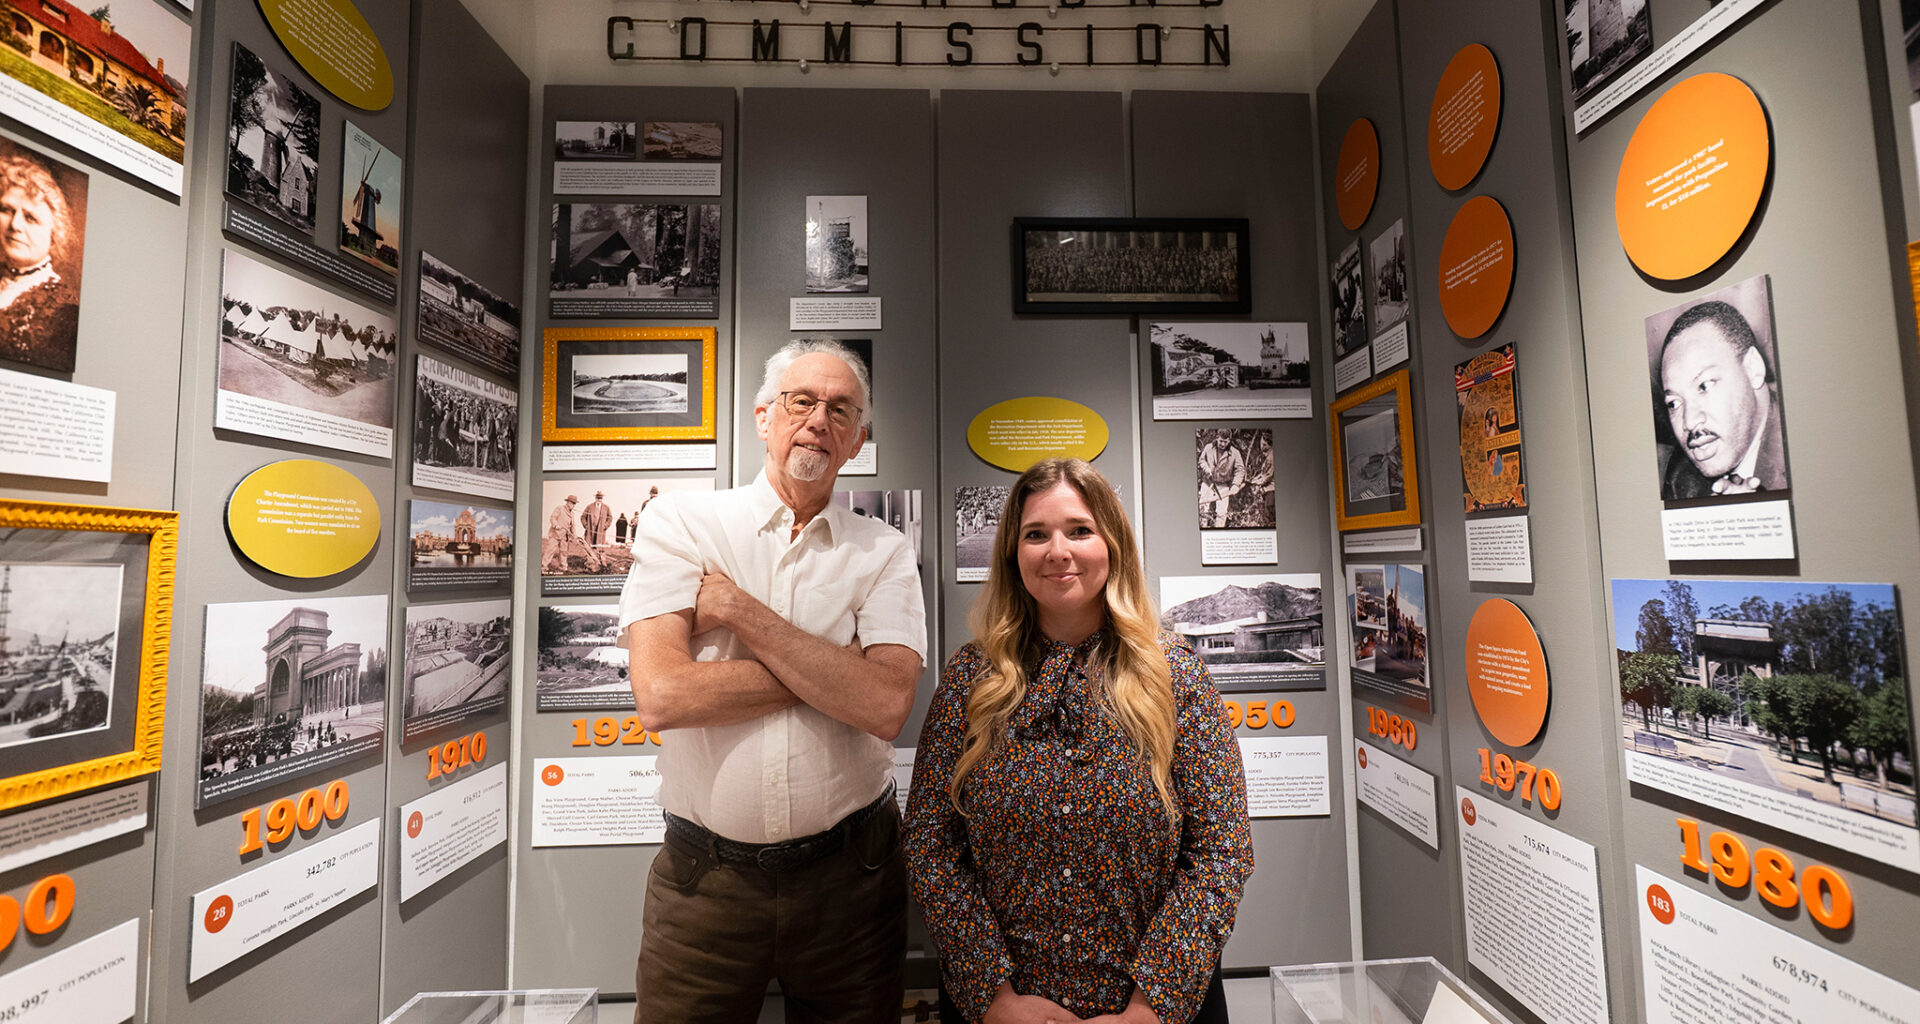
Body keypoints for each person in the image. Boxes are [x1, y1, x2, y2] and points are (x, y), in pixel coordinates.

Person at [618, 338, 927, 1024]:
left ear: (857, 442)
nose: (819, 419)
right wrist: (834, 668)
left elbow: (885, 705)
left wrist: (735, 610)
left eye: (841, 410)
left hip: (854, 884)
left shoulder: (883, 550)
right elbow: (663, 695)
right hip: (704, 887)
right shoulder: (682, 522)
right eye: (801, 401)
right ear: (763, 417)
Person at [905, 457, 1252, 1024]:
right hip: (1001, 1011)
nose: (1057, 551)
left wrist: (1151, 1005)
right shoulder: (972, 679)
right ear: (1014, 556)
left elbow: (1222, 851)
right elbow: (929, 843)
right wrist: (995, 998)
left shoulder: (1177, 679)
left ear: (1111, 544)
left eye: (1079, 530)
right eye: (1036, 534)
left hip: (1153, 1011)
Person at [1655, 300, 1788, 499]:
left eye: (1705, 386)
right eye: (1674, 403)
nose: (1690, 422)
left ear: (1753, 369)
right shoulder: (1679, 478)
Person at [0, 151, 81, 373]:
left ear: (55, 233)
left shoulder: (63, 311)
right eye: (7, 210)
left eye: (30, 218)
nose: (15, 225)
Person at [1196, 430, 1246, 528]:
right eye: (1220, 441)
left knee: (1222, 513)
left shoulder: (1235, 453)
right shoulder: (1208, 448)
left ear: (1229, 441)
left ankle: (1218, 533)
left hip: (1223, 485)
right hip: (1207, 483)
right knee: (1203, 510)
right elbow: (1201, 460)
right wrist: (1207, 469)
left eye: (1225, 442)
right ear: (1217, 438)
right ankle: (1203, 531)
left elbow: (1240, 470)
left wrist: (1236, 484)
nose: (1222, 444)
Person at [543, 494, 579, 573]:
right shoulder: (560, 508)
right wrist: (556, 525)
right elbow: (553, 517)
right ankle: (544, 566)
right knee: (550, 550)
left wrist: (574, 536)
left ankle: (563, 567)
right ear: (568, 502)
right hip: (555, 534)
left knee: (564, 552)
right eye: (572, 503)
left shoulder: (572, 514)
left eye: (575, 503)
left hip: (565, 536)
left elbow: (572, 526)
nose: (574, 505)